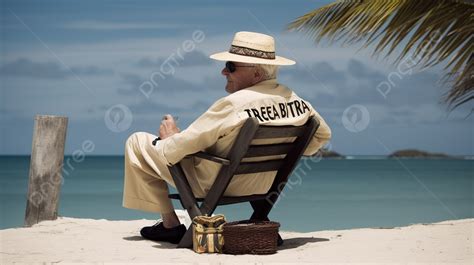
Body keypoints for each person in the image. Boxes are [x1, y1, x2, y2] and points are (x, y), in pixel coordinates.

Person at [123, 31, 332, 244]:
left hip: (216, 184)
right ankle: (257, 215)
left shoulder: (233, 104)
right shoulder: (298, 102)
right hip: (265, 184)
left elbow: (173, 152)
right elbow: (322, 135)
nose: (224, 71)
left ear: (257, 74)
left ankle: (170, 225)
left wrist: (170, 138)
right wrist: (284, 155)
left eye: (231, 66)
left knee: (138, 141)